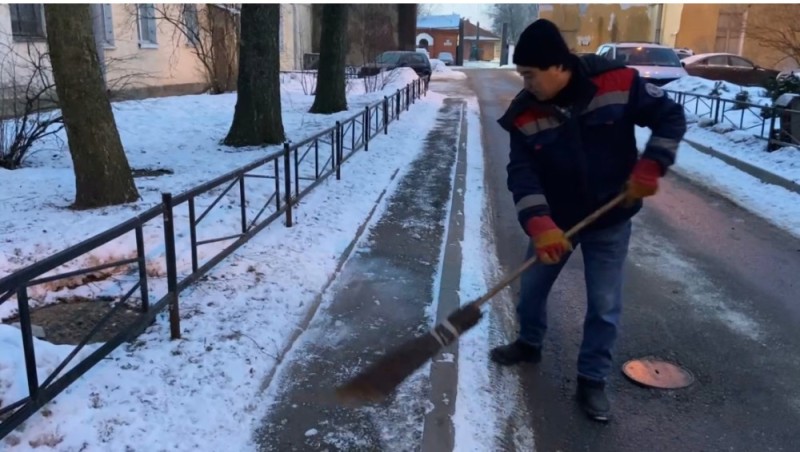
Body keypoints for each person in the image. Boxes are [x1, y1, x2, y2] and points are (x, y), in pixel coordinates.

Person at [491, 19, 687, 422]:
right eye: (521, 74)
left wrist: (652, 164)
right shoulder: (524, 114)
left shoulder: (617, 82)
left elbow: (670, 117)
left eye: (530, 74)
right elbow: (521, 174)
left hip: (610, 216)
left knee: (604, 303)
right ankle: (529, 343)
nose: (525, 83)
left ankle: (592, 380)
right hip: (556, 221)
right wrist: (540, 224)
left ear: (557, 66)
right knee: (531, 291)